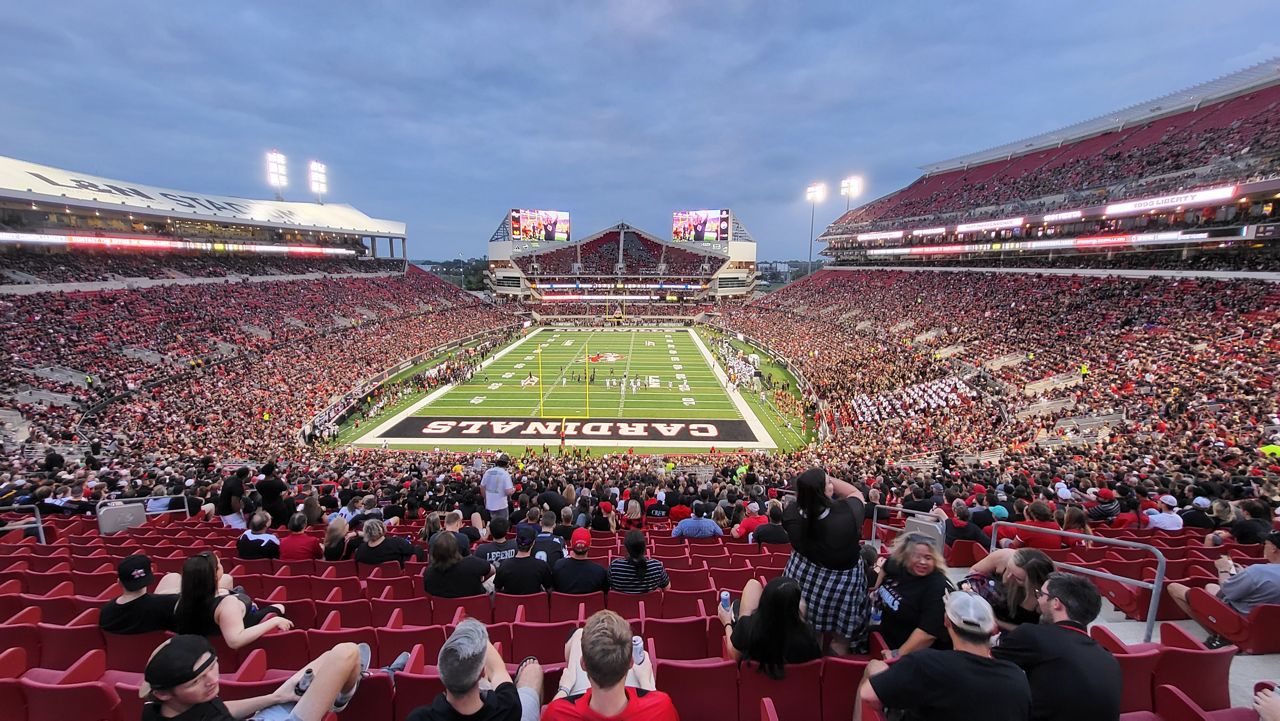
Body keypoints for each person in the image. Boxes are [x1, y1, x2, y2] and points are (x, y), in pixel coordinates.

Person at [858, 592, 1030, 721]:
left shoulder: (925, 664)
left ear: (946, 621)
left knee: (875, 667)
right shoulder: (1017, 678)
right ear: (994, 629)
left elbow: (868, 695)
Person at [140, 634, 369, 721]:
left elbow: (219, 710)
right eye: (195, 681)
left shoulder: (158, 707)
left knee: (329, 657)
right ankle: (344, 696)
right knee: (346, 652)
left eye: (212, 667)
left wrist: (274, 698)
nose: (212, 680)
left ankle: (342, 692)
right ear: (163, 693)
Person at [993, 572, 1121, 721]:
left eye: (1040, 594)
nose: (1038, 599)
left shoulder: (1032, 635)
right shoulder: (1108, 658)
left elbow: (982, 661)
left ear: (1056, 603)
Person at [782, 467, 869, 655]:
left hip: (803, 572)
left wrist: (812, 484)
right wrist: (824, 480)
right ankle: (832, 672)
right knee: (841, 638)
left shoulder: (791, 514)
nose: (832, 484)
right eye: (828, 482)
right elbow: (855, 493)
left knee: (810, 629)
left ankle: (811, 665)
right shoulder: (846, 515)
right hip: (842, 581)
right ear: (824, 491)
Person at [542, 610, 677, 720]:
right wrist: (646, 681)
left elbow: (550, 712)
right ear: (631, 663)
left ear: (583, 664)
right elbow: (654, 710)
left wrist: (563, 689)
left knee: (577, 634)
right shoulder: (663, 708)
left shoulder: (556, 714)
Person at [407, 618, 543, 721]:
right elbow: (498, 671)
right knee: (532, 671)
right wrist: (470, 627)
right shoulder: (508, 707)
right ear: (483, 672)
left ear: (442, 674)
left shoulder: (419, 718)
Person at [1167, 531, 1280, 647]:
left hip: (1241, 621)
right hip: (1270, 625)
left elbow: (1228, 590)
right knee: (1210, 586)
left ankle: (1222, 635)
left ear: (1273, 548)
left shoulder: (1258, 571)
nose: (1263, 547)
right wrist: (1242, 574)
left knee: (1174, 587)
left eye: (1265, 544)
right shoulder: (1258, 572)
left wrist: (1223, 569)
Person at [173, 552, 292, 649]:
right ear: (214, 575)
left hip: (220, 624)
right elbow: (235, 641)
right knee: (280, 607)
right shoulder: (226, 605)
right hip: (245, 624)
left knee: (239, 589)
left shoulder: (181, 600)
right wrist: (274, 621)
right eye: (219, 565)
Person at [717, 577, 821, 678]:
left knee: (750, 588)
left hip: (753, 685)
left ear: (763, 602)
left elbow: (733, 656)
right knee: (752, 586)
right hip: (791, 688)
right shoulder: (809, 636)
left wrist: (727, 622)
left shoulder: (749, 628)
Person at [869, 533, 951, 657]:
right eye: (916, 556)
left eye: (928, 558)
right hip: (886, 635)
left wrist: (896, 654)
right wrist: (876, 587)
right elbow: (885, 567)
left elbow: (927, 634)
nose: (922, 562)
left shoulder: (938, 587)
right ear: (906, 556)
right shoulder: (898, 564)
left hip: (913, 654)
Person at [961, 547, 1055, 630]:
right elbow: (974, 572)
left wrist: (996, 622)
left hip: (1013, 632)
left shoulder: (1045, 597)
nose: (1008, 577)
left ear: (1035, 583)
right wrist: (974, 589)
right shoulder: (1003, 556)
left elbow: (1033, 631)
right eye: (1008, 569)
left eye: (1018, 578)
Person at [100, 555, 187, 634]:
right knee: (173, 577)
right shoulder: (169, 604)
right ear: (151, 573)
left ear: (119, 582)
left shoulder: (106, 612)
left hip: (120, 651)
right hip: (162, 650)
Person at [423, 530, 493, 598]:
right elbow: (492, 570)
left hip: (442, 609)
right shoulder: (472, 563)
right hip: (476, 606)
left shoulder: (428, 573)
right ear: (456, 548)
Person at [494, 527, 554, 596]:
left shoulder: (504, 565)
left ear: (516, 540)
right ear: (533, 543)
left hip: (511, 606)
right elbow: (549, 590)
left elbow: (497, 590)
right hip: (535, 605)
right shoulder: (542, 566)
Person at [607, 530, 670, 595]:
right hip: (649, 604)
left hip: (622, 605)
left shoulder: (614, 567)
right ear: (644, 547)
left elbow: (608, 587)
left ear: (626, 548)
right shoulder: (656, 566)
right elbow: (667, 589)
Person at [552, 528, 610, 595]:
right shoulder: (600, 572)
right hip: (590, 605)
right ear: (590, 544)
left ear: (571, 543)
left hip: (563, 605)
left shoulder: (558, 566)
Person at [1205, 500, 1273, 547]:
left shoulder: (1243, 524)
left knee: (1210, 537)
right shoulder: (1267, 523)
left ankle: (1208, 558)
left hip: (1241, 550)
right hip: (1259, 552)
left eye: (1242, 510)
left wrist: (1218, 533)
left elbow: (1224, 537)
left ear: (1246, 513)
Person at [353, 519, 418, 568]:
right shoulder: (396, 542)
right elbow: (413, 550)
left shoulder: (360, 550)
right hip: (396, 579)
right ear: (382, 529)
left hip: (370, 584)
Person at [481, 455, 515, 521]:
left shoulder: (488, 472)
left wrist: (485, 498)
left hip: (490, 504)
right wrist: (513, 490)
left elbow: (482, 487)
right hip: (501, 505)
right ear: (507, 464)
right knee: (502, 526)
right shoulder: (505, 474)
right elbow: (508, 491)